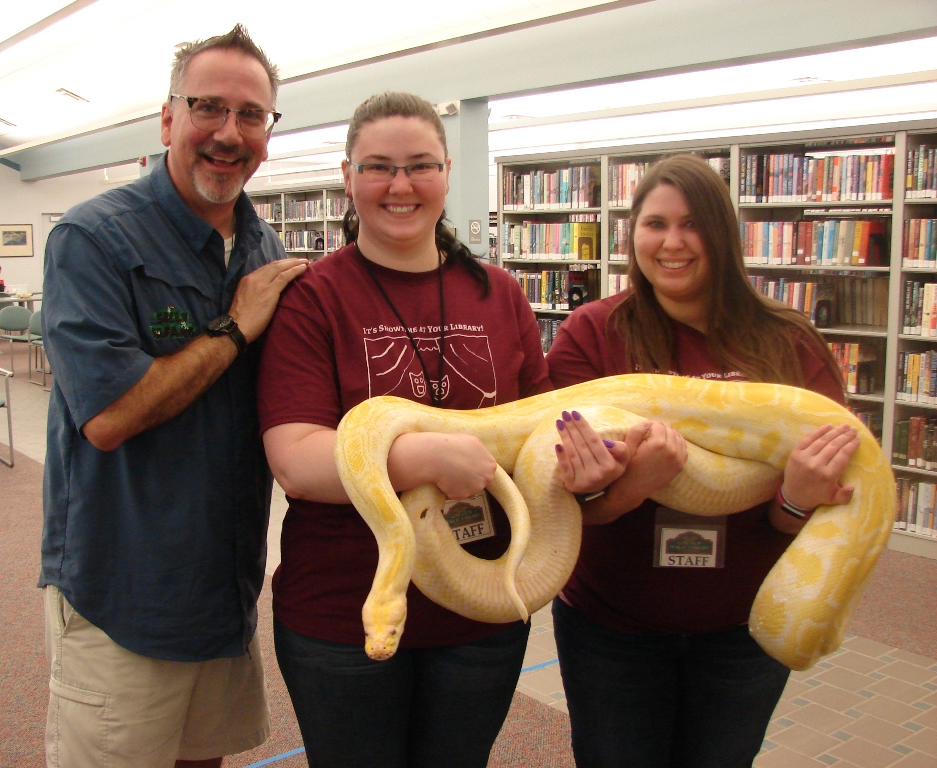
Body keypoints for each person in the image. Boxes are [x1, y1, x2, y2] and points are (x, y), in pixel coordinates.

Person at [257, 91, 553, 768]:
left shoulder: (500, 292)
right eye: (378, 167)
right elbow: (297, 462)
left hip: (482, 611)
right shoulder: (312, 298)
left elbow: (541, 431)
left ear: (447, 172)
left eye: (420, 165)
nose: (400, 185)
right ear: (348, 176)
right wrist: (426, 457)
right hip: (343, 611)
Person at [39, 24, 307, 768]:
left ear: (267, 133)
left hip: (223, 590)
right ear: (167, 120)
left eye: (250, 115)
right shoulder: (92, 239)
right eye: (208, 107)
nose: (228, 133)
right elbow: (108, 418)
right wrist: (234, 328)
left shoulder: (263, 248)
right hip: (121, 591)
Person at [545, 153, 860, 768]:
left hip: (741, 627)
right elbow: (565, 503)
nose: (672, 243)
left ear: (723, 233)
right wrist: (636, 485)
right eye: (655, 224)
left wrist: (795, 501)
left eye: (692, 224)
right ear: (632, 233)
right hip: (613, 625)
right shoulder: (592, 334)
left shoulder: (788, 342)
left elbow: (834, 501)